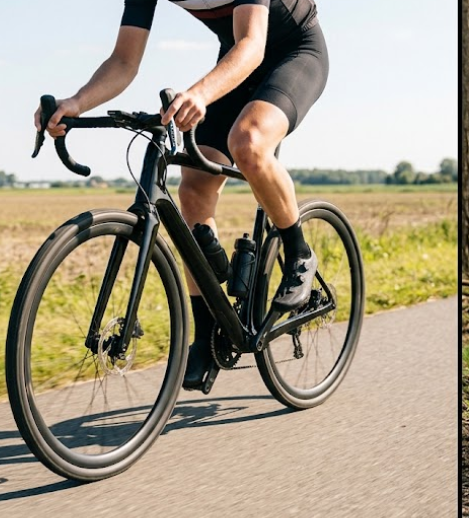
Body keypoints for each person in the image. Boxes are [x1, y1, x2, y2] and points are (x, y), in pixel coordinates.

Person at [34, 0, 329, 391]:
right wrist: (76, 103)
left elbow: (253, 44)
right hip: (237, 60)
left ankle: (299, 253)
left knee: (249, 142)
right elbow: (123, 61)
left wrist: (199, 94)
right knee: (193, 187)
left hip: (293, 54)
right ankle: (206, 333)